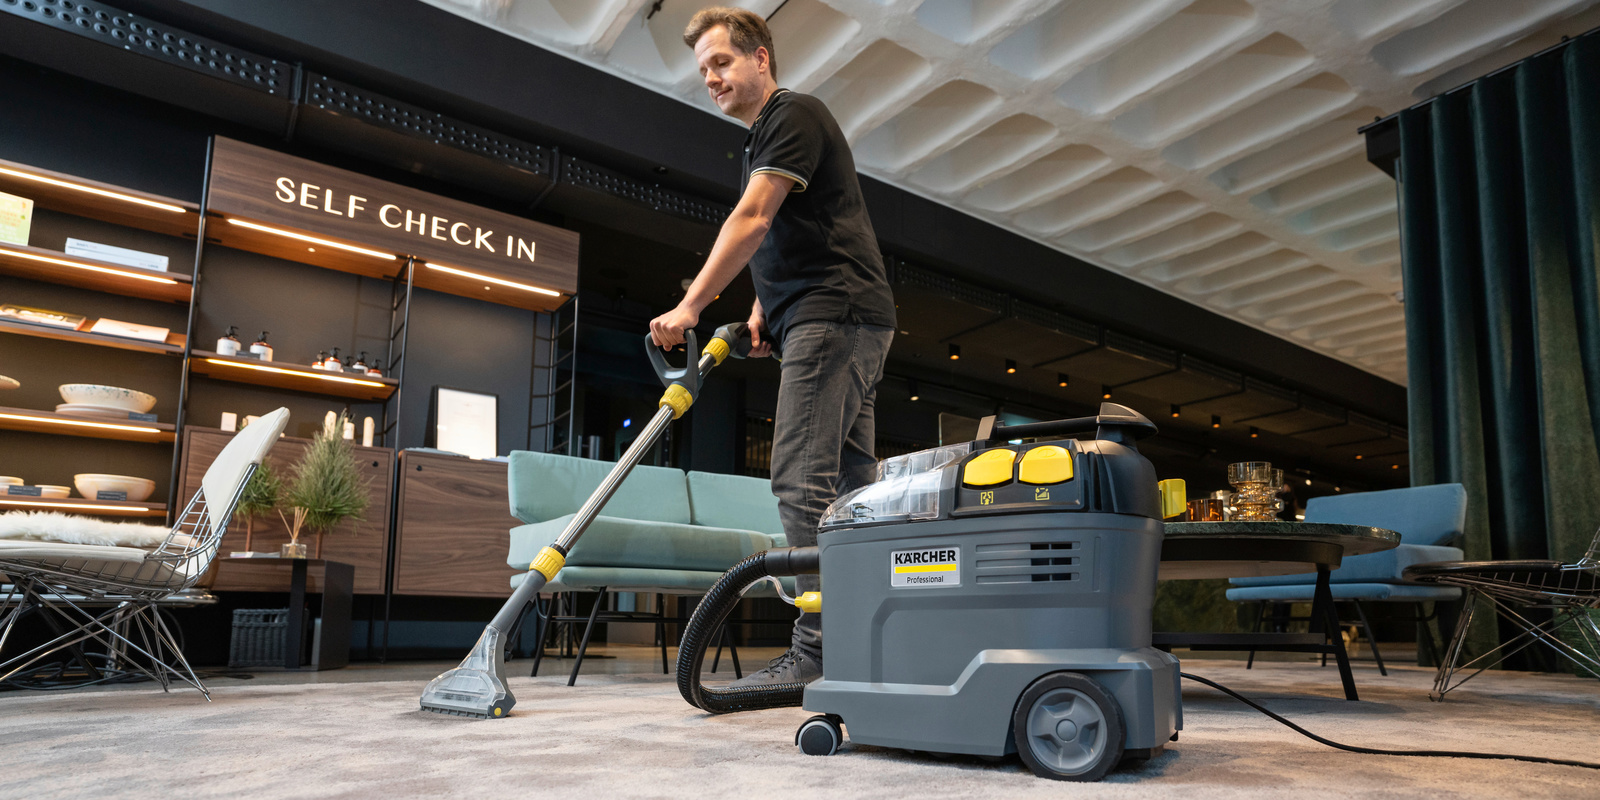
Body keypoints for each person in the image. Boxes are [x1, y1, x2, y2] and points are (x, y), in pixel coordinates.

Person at [648, 7, 896, 687]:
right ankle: (873, 641)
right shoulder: (770, 135)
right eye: (703, 70)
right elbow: (797, 230)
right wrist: (763, 307)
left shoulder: (792, 114)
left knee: (799, 481)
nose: (711, 78)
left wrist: (691, 305)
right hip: (836, 317)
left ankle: (817, 654)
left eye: (722, 62)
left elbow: (754, 219)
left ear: (761, 58)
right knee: (852, 491)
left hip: (835, 316)